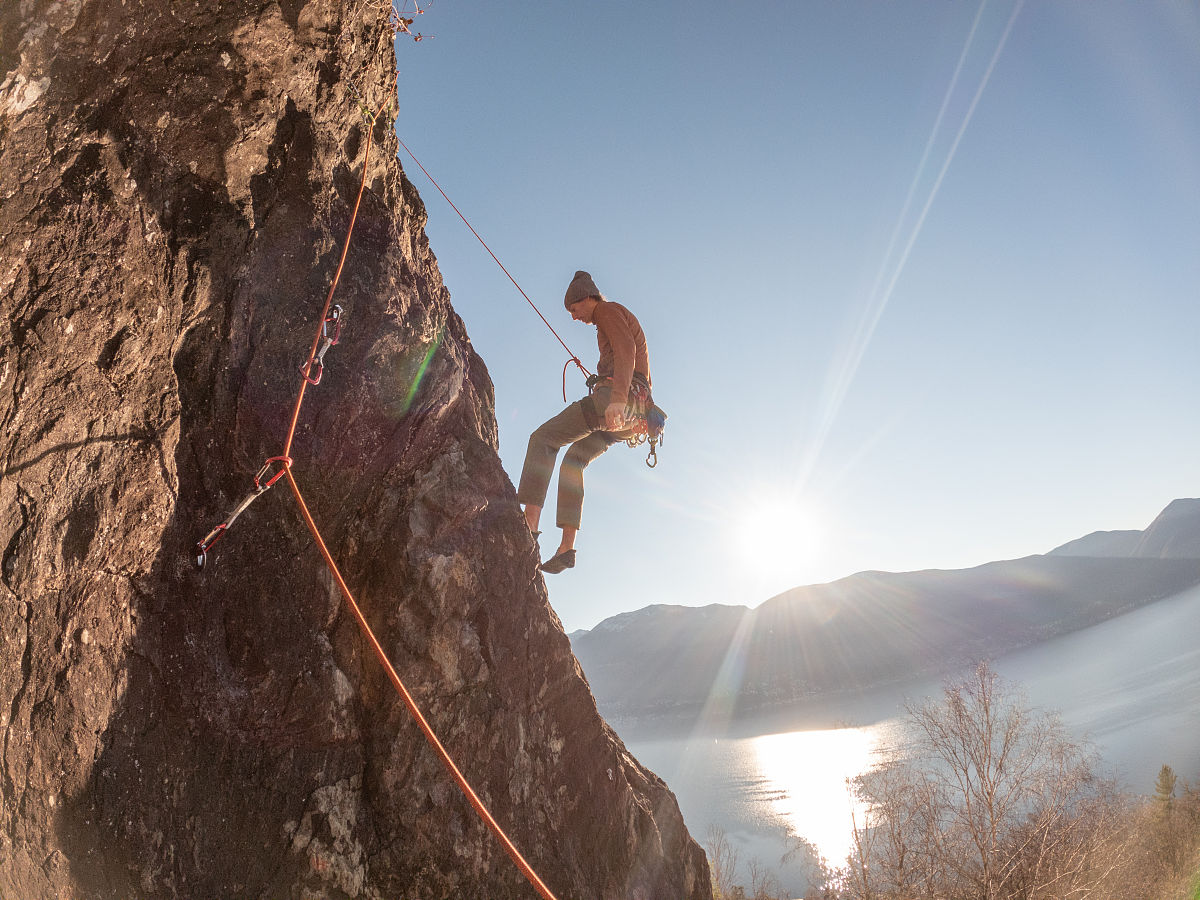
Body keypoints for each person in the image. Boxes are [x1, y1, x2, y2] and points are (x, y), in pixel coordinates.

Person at [518, 270, 652, 574]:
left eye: (574, 309)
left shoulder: (606, 310)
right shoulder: (610, 316)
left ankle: (528, 525)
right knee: (574, 461)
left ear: (587, 297)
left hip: (617, 403)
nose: (574, 317)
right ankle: (567, 549)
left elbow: (626, 350)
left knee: (543, 439)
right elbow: (627, 356)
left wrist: (616, 396)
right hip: (634, 417)